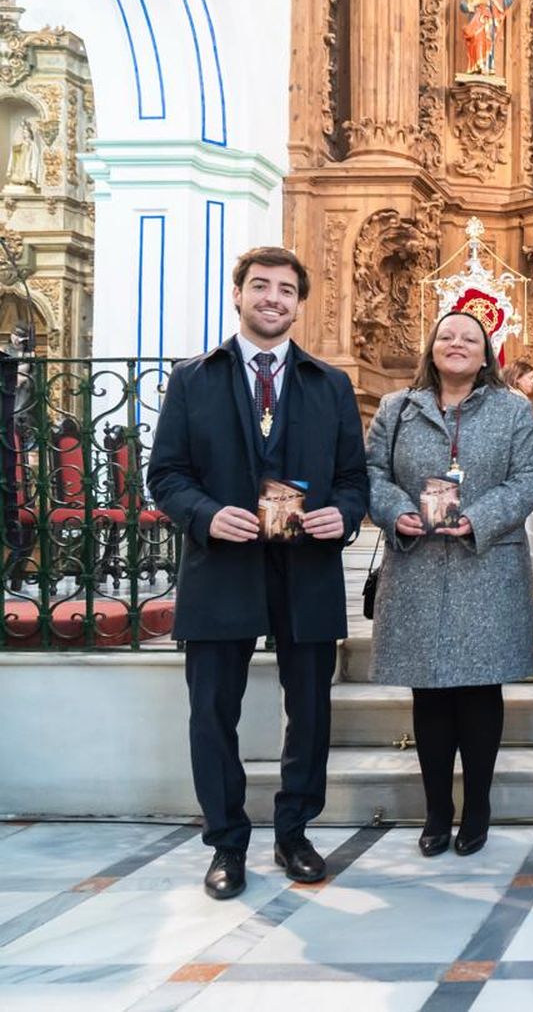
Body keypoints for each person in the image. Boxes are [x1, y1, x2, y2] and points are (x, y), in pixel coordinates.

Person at [148, 246, 369, 900]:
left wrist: (343, 515)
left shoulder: (329, 385)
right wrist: (208, 515)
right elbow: (166, 475)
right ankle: (226, 843)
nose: (273, 299)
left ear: (300, 304)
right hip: (222, 568)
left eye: (285, 290)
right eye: (261, 287)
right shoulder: (195, 379)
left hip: (307, 572)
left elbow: (354, 480)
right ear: (239, 295)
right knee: (213, 712)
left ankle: (295, 830)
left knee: (309, 709)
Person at [365, 311, 533, 857]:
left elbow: (529, 476)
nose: (457, 344)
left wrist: (482, 518)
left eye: (469, 337)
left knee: (480, 691)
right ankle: (437, 810)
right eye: (447, 335)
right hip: (418, 562)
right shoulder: (397, 409)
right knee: (429, 693)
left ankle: (478, 808)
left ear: (487, 351)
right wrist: (396, 511)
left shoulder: (513, 409)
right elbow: (372, 474)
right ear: (432, 346)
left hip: (485, 565)